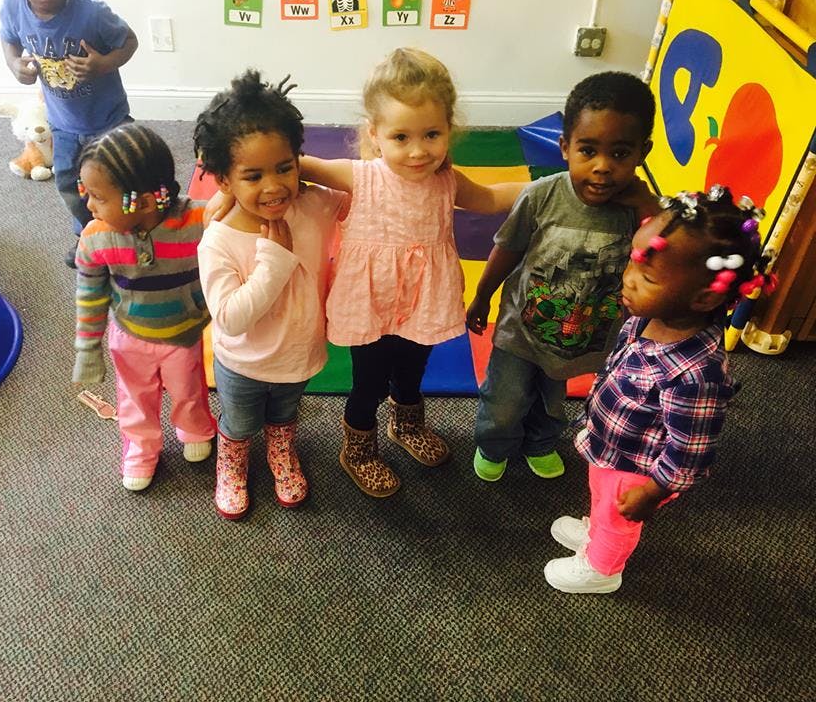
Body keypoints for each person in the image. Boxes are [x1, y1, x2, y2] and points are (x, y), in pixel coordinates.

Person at [292, 47, 525, 498]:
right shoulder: (359, 176)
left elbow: (492, 198)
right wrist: (234, 179)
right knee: (369, 382)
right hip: (371, 303)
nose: (418, 151)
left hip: (423, 300)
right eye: (401, 137)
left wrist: (557, 185)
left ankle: (406, 424)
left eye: (431, 134)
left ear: (449, 129)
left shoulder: (448, 181)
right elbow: (295, 166)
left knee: (413, 370)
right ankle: (358, 448)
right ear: (374, 134)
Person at [544, 185, 771, 593]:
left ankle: (602, 568)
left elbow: (690, 452)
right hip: (612, 448)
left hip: (637, 470)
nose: (627, 280)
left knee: (619, 519)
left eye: (646, 277)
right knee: (602, 500)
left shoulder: (696, 375)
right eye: (633, 263)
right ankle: (597, 533)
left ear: (704, 298)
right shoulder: (647, 317)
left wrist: (652, 491)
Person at [467, 71, 657, 484]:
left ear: (643, 152)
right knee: (504, 397)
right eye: (588, 150)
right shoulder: (541, 196)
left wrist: (649, 207)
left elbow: (665, 259)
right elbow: (508, 248)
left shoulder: (639, 211)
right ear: (565, 147)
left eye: (620, 153)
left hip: (583, 336)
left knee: (553, 400)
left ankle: (540, 442)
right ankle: (495, 444)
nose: (602, 167)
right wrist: (482, 295)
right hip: (522, 330)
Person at [194, 70, 349, 520]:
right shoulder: (219, 240)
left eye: (284, 167)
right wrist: (274, 262)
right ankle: (232, 462)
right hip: (243, 363)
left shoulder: (313, 205)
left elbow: (367, 188)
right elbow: (230, 318)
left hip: (298, 352)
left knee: (284, 415)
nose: (273, 186)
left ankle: (281, 450)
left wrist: (307, 169)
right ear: (224, 181)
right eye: (253, 175)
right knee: (241, 423)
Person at [72, 124, 216, 492]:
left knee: (189, 389)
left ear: (147, 202)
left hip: (183, 334)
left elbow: (231, 210)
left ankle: (195, 429)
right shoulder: (95, 237)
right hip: (129, 336)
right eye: (85, 193)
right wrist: (87, 348)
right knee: (134, 398)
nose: (88, 206)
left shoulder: (197, 221)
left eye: (98, 197)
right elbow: (90, 295)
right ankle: (141, 448)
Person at [0, 0, 138, 268]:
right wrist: (13, 63)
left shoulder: (92, 12)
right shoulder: (12, 7)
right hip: (62, 123)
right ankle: (88, 234)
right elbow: (9, 38)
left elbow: (129, 41)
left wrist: (103, 64)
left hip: (107, 120)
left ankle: (130, 233)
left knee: (121, 180)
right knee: (68, 182)